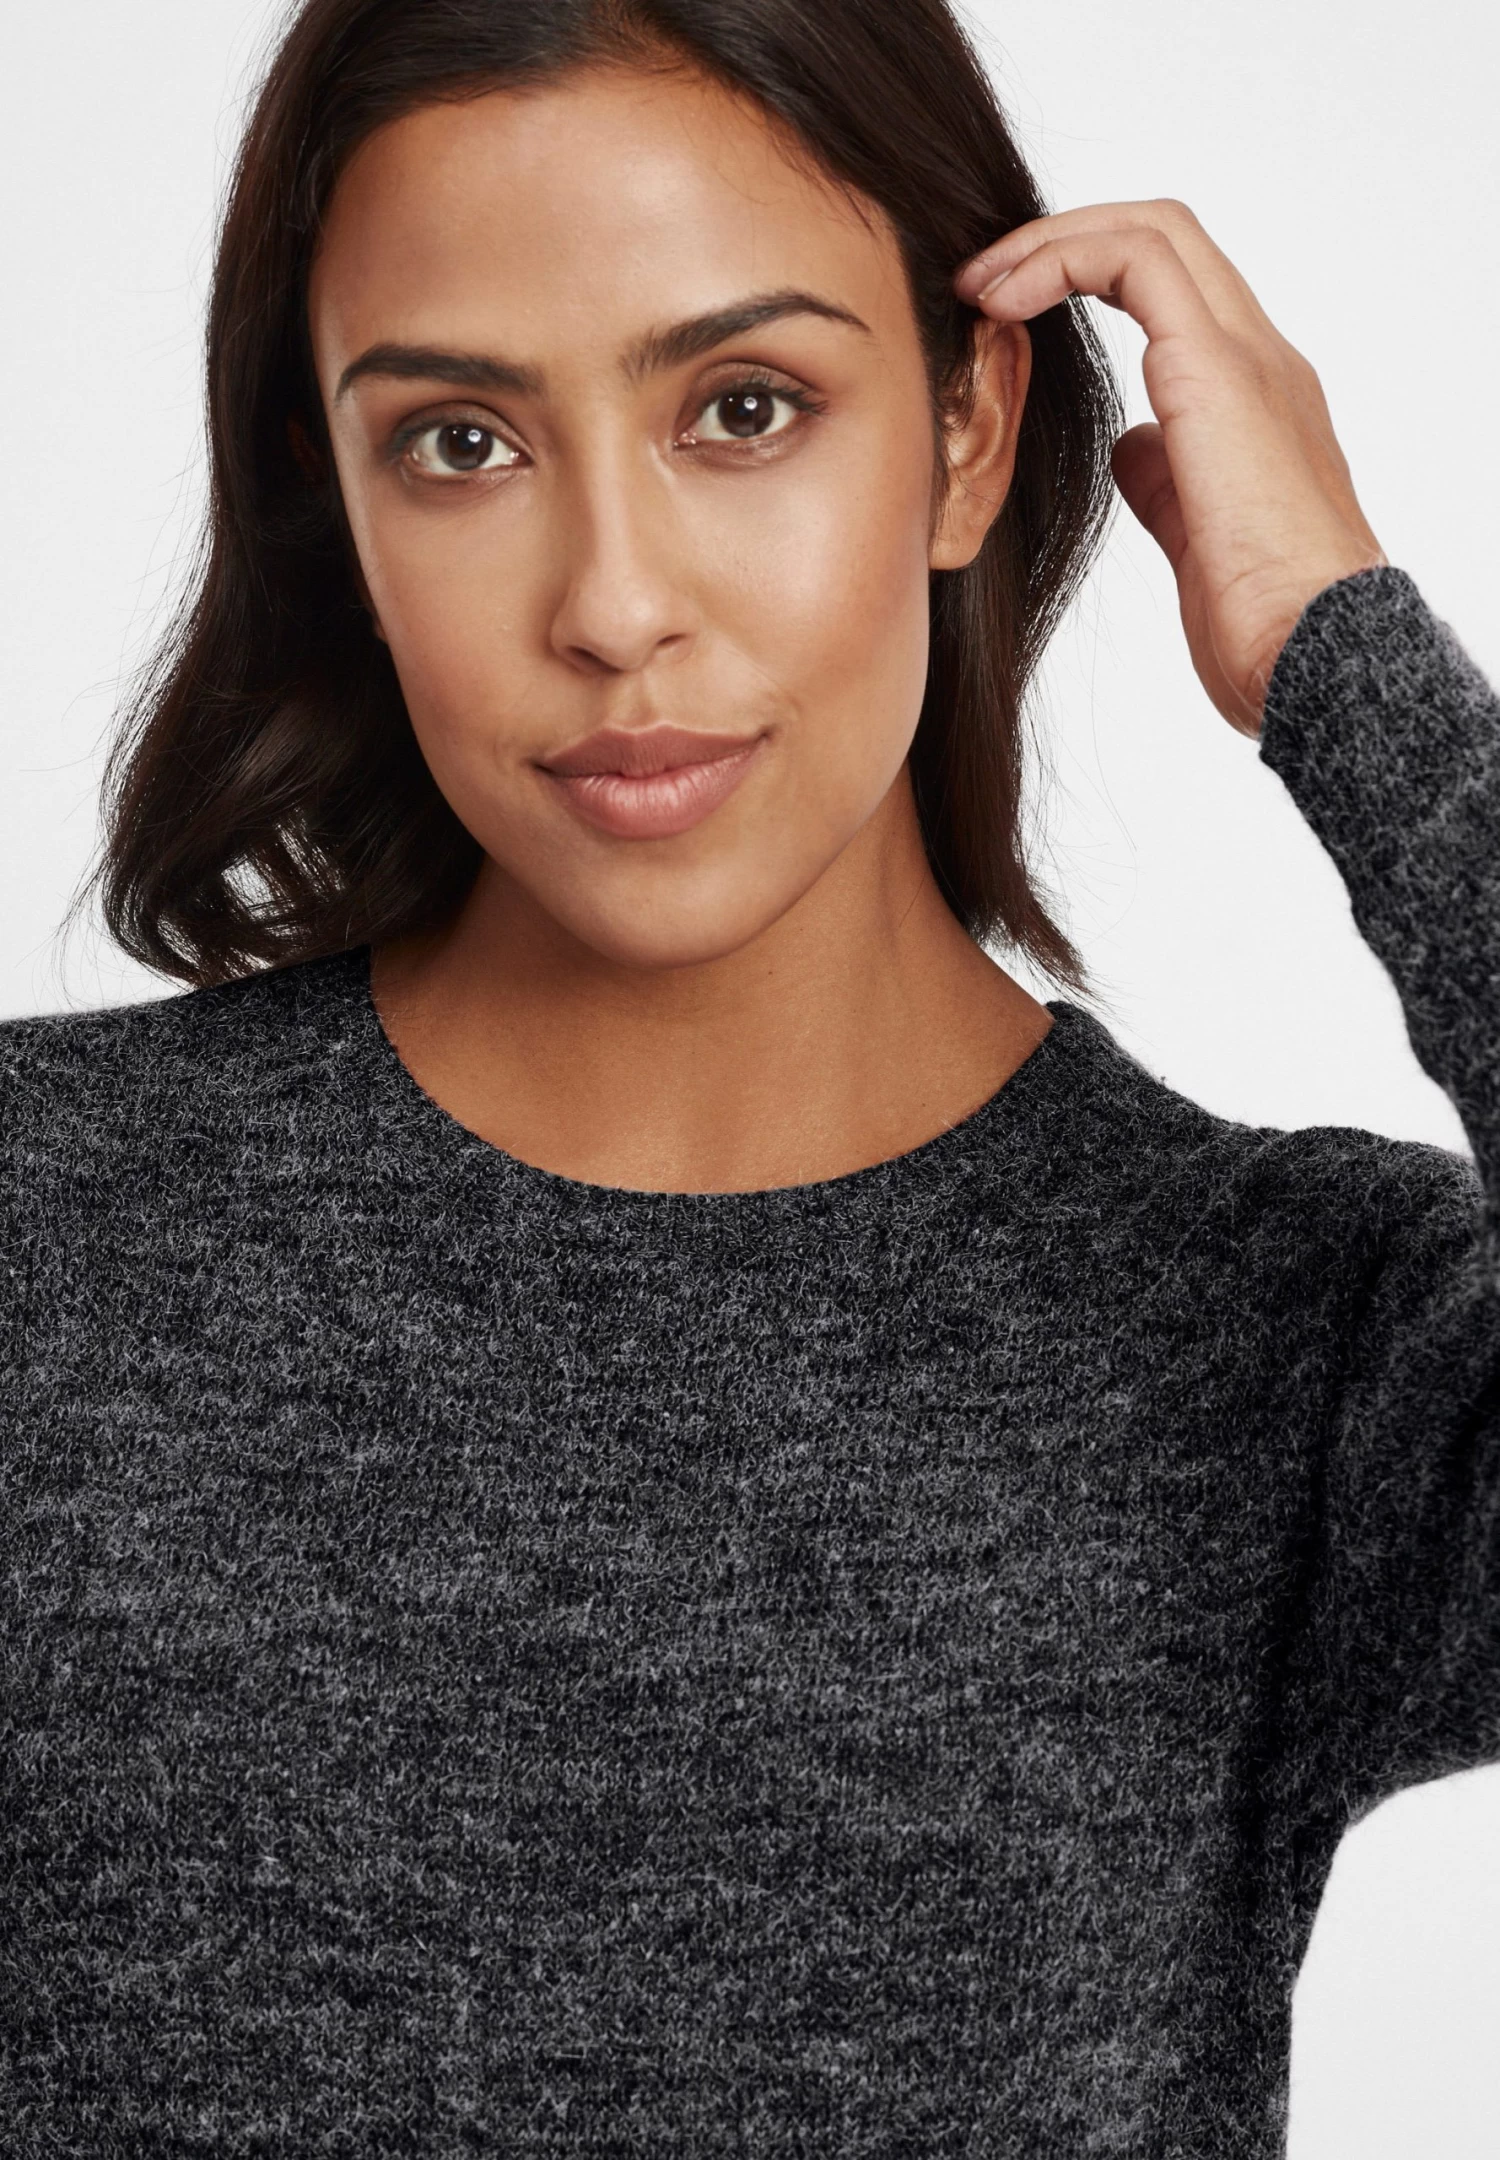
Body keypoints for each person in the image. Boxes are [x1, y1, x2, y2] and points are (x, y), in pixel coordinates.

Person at [1, 0, 1495, 2151]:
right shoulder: (43, 1221)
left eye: (745, 407)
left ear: (970, 430)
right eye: (460, 443)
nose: (616, 606)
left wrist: (1335, 645)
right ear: (337, 501)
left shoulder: (1298, 1338)